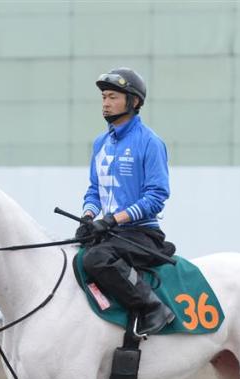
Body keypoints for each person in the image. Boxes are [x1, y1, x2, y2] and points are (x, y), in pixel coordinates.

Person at [76, 67, 177, 337]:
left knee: (97, 258)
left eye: (112, 97)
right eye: (104, 97)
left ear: (133, 102)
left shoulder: (150, 142)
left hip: (141, 233)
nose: (106, 103)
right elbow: (95, 190)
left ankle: (153, 308)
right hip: (110, 232)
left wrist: (113, 219)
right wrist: (88, 216)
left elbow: (156, 197)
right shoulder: (100, 143)